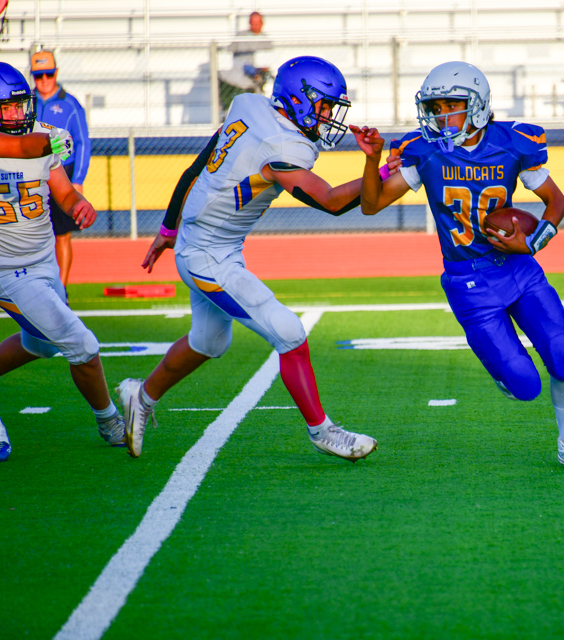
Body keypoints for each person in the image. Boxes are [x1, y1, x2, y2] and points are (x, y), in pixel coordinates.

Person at [117, 55, 386, 462]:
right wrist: (377, 170)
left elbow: (195, 168)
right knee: (289, 332)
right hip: (208, 256)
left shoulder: (248, 105)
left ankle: (141, 396)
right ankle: (323, 432)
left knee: (208, 342)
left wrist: (169, 229)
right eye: (324, 106)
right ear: (299, 99)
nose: (329, 117)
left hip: (202, 242)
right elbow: (331, 202)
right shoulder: (283, 147)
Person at [350, 61, 564, 471]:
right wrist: (372, 160)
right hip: (468, 281)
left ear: (479, 105)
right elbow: (371, 204)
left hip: (517, 267)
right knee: (525, 386)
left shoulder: (514, 142)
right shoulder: (423, 149)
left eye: (451, 106)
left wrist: (533, 242)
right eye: (435, 108)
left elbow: (556, 202)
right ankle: (500, 364)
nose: (441, 116)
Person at [0, 62, 124, 460]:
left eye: (21, 105)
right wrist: (51, 142)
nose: (18, 114)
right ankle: (109, 419)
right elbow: (27, 148)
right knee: (81, 344)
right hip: (8, 270)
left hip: (43, 261)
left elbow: (64, 191)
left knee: (40, 344)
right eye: (8, 108)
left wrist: (78, 204)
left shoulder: (39, 136)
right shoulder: (39, 141)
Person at [30, 49, 91, 294]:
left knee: (62, 234)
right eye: (38, 75)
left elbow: (83, 142)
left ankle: (61, 291)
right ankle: (38, 286)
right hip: (33, 174)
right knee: (33, 234)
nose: (44, 80)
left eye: (48, 74)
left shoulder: (70, 104)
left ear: (56, 73)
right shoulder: (26, 103)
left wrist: (78, 179)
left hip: (62, 173)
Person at [218, 11, 272, 119]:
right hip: (236, 72)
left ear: (262, 23)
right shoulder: (241, 36)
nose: (255, 26)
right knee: (220, 75)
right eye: (253, 23)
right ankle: (226, 111)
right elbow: (229, 51)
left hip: (254, 75)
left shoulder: (266, 41)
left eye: (257, 23)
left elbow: (268, 61)